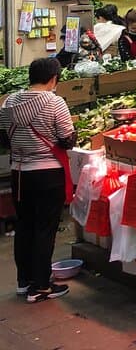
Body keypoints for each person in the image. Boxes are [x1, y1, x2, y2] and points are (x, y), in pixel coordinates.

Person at [0, 57, 75, 302]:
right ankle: (41, 286)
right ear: (54, 78)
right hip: (47, 173)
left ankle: (24, 281)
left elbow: (3, 139)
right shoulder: (55, 103)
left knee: (25, 226)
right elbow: (67, 139)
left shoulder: (9, 101)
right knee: (45, 229)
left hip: (19, 173)